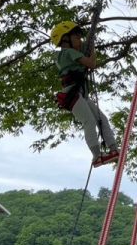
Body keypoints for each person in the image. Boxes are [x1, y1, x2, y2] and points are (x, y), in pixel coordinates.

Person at [51, 21, 119, 167]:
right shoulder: (67, 52)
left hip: (80, 94)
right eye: (76, 37)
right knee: (90, 121)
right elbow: (92, 63)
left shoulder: (67, 54)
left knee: (102, 119)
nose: (79, 40)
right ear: (65, 39)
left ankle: (113, 148)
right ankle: (96, 156)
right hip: (73, 94)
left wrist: (88, 43)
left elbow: (83, 57)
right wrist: (92, 48)